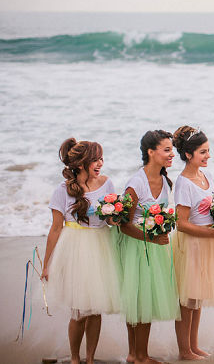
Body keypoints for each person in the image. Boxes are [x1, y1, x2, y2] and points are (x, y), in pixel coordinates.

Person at [42, 138, 121, 364]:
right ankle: (75, 358)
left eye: (101, 158)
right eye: (94, 159)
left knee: (96, 308)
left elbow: (110, 219)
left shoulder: (107, 184)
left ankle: (90, 359)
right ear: (79, 164)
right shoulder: (63, 190)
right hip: (75, 248)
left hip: (101, 246)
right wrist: (47, 264)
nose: (100, 163)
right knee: (78, 310)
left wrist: (115, 218)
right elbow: (56, 228)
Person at [114, 130, 180, 364]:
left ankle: (135, 354)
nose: (172, 154)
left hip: (153, 247)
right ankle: (140, 355)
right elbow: (123, 225)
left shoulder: (165, 180)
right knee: (140, 299)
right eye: (166, 150)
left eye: (171, 149)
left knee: (143, 300)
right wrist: (152, 239)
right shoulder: (136, 183)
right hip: (136, 248)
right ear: (151, 152)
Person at [172, 126, 214, 360]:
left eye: (208, 151)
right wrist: (211, 233)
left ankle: (194, 345)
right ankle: (183, 350)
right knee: (187, 300)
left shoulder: (207, 176)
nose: (208, 156)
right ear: (189, 154)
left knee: (198, 298)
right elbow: (182, 223)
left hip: (209, 243)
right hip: (193, 244)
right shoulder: (183, 182)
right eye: (203, 152)